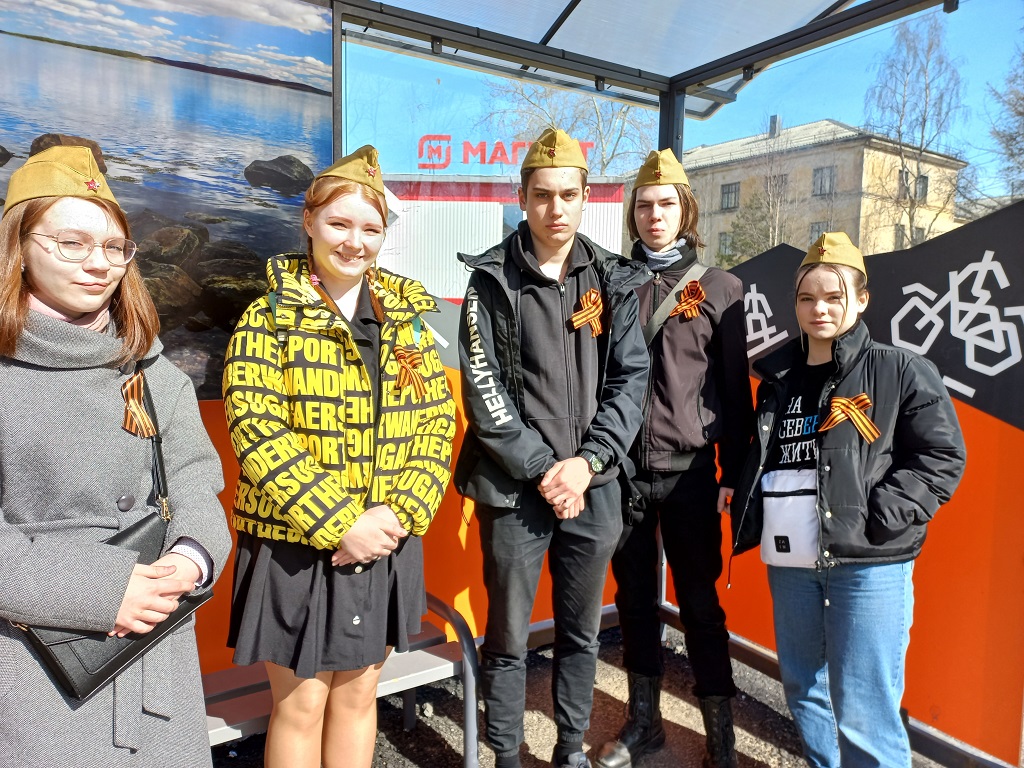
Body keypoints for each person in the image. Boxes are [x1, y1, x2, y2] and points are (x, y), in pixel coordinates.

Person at [224, 145, 457, 768]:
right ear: (309, 221)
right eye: (339, 223)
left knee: (359, 697)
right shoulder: (266, 318)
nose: (355, 242)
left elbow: (436, 423)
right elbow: (257, 431)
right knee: (299, 706)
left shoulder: (408, 321)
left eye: (370, 229)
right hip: (298, 544)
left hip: (385, 537)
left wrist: (398, 515)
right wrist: (340, 523)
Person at [0, 145, 231, 766]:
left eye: (113, 247)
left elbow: (195, 481)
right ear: (19, 246)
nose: (99, 263)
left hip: (157, 661)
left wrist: (190, 560)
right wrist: (101, 589)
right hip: (33, 670)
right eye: (71, 243)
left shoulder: (152, 370)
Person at [730, 232, 966, 768]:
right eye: (807, 298)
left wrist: (878, 518)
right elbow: (772, 454)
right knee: (802, 686)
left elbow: (942, 456)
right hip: (791, 561)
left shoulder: (899, 369)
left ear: (861, 300)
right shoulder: (778, 377)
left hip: (868, 563)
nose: (820, 309)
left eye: (834, 297)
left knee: (864, 707)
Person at [455, 127, 650, 768]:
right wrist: (546, 470)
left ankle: (570, 751)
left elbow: (630, 381)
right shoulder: (489, 280)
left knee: (581, 635)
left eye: (568, 194)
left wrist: (587, 464)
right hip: (514, 489)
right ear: (522, 198)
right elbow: (483, 391)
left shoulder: (613, 279)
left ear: (586, 197)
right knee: (508, 637)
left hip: (594, 488)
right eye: (542, 195)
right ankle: (506, 755)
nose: (555, 208)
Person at [595, 149, 753, 768]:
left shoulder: (721, 288)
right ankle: (645, 723)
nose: (654, 215)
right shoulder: (611, 282)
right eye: (644, 205)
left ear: (685, 211)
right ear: (632, 213)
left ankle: (721, 739)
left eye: (665, 204)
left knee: (700, 604)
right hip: (625, 472)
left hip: (691, 476)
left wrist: (734, 475)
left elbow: (734, 391)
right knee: (634, 599)